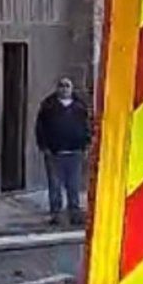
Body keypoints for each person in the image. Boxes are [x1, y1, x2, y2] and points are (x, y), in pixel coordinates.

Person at [35, 76, 91, 227]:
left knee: (73, 184)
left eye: (67, 86)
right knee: (55, 184)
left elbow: (87, 126)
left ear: (71, 89)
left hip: (75, 152)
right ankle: (56, 214)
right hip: (54, 153)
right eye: (61, 86)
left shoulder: (80, 107)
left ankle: (74, 213)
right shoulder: (48, 106)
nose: (64, 88)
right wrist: (44, 146)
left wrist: (86, 144)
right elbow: (40, 128)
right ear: (57, 88)